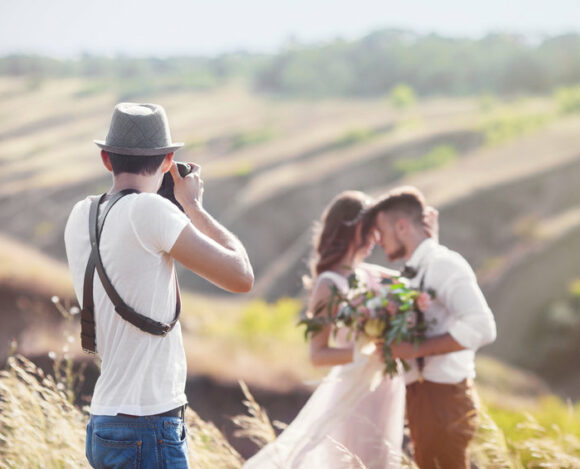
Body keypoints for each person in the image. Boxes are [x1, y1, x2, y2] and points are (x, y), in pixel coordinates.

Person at [64, 102, 254, 469]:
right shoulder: (151, 212)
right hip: (148, 422)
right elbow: (241, 276)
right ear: (168, 161)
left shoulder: (81, 214)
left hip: (103, 418)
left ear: (106, 159)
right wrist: (192, 205)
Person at [244, 191, 438, 469]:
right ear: (354, 228)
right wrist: (364, 350)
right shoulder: (328, 284)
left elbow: (417, 283)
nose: (377, 238)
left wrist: (430, 240)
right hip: (352, 391)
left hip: (386, 386)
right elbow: (318, 355)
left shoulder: (370, 273)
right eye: (372, 230)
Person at [363, 186, 497, 469]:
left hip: (443, 398)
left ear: (401, 227)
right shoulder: (418, 269)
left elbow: (482, 327)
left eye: (380, 231)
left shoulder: (444, 265)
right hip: (425, 397)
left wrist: (412, 349)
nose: (377, 241)